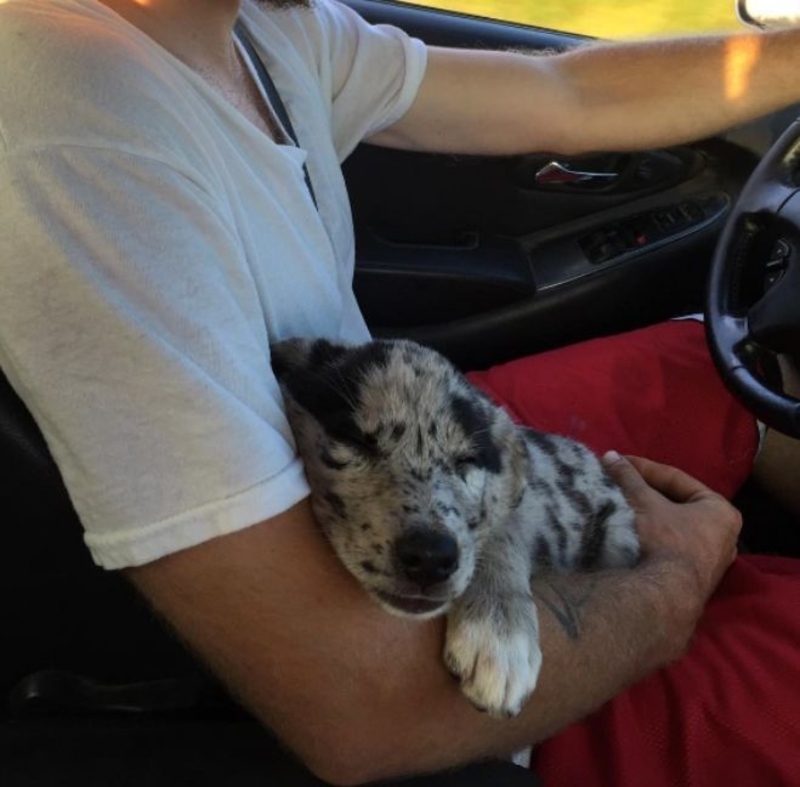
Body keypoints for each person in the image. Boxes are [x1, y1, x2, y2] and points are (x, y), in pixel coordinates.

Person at [0, 1, 799, 784]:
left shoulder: (265, 33)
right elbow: (363, 706)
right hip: (427, 677)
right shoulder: (75, 120)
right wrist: (675, 585)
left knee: (723, 367)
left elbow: (569, 92)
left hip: (395, 439)